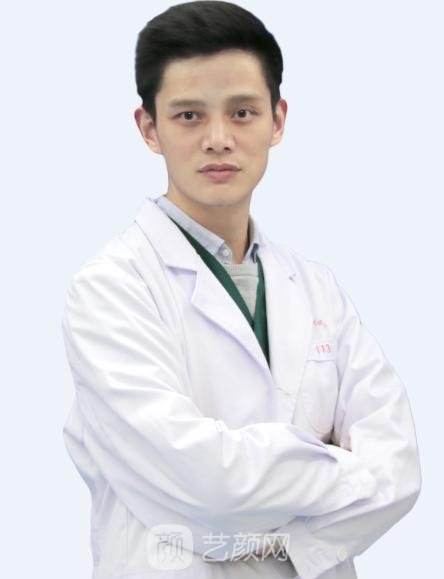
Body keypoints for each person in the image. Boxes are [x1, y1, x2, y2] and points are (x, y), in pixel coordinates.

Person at [61, 2, 421, 578]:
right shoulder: (111, 290)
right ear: (148, 128)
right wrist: (337, 465)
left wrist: (274, 528)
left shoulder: (318, 289)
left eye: (243, 112)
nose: (218, 139)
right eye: (188, 116)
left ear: (277, 121)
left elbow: (398, 470)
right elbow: (208, 485)